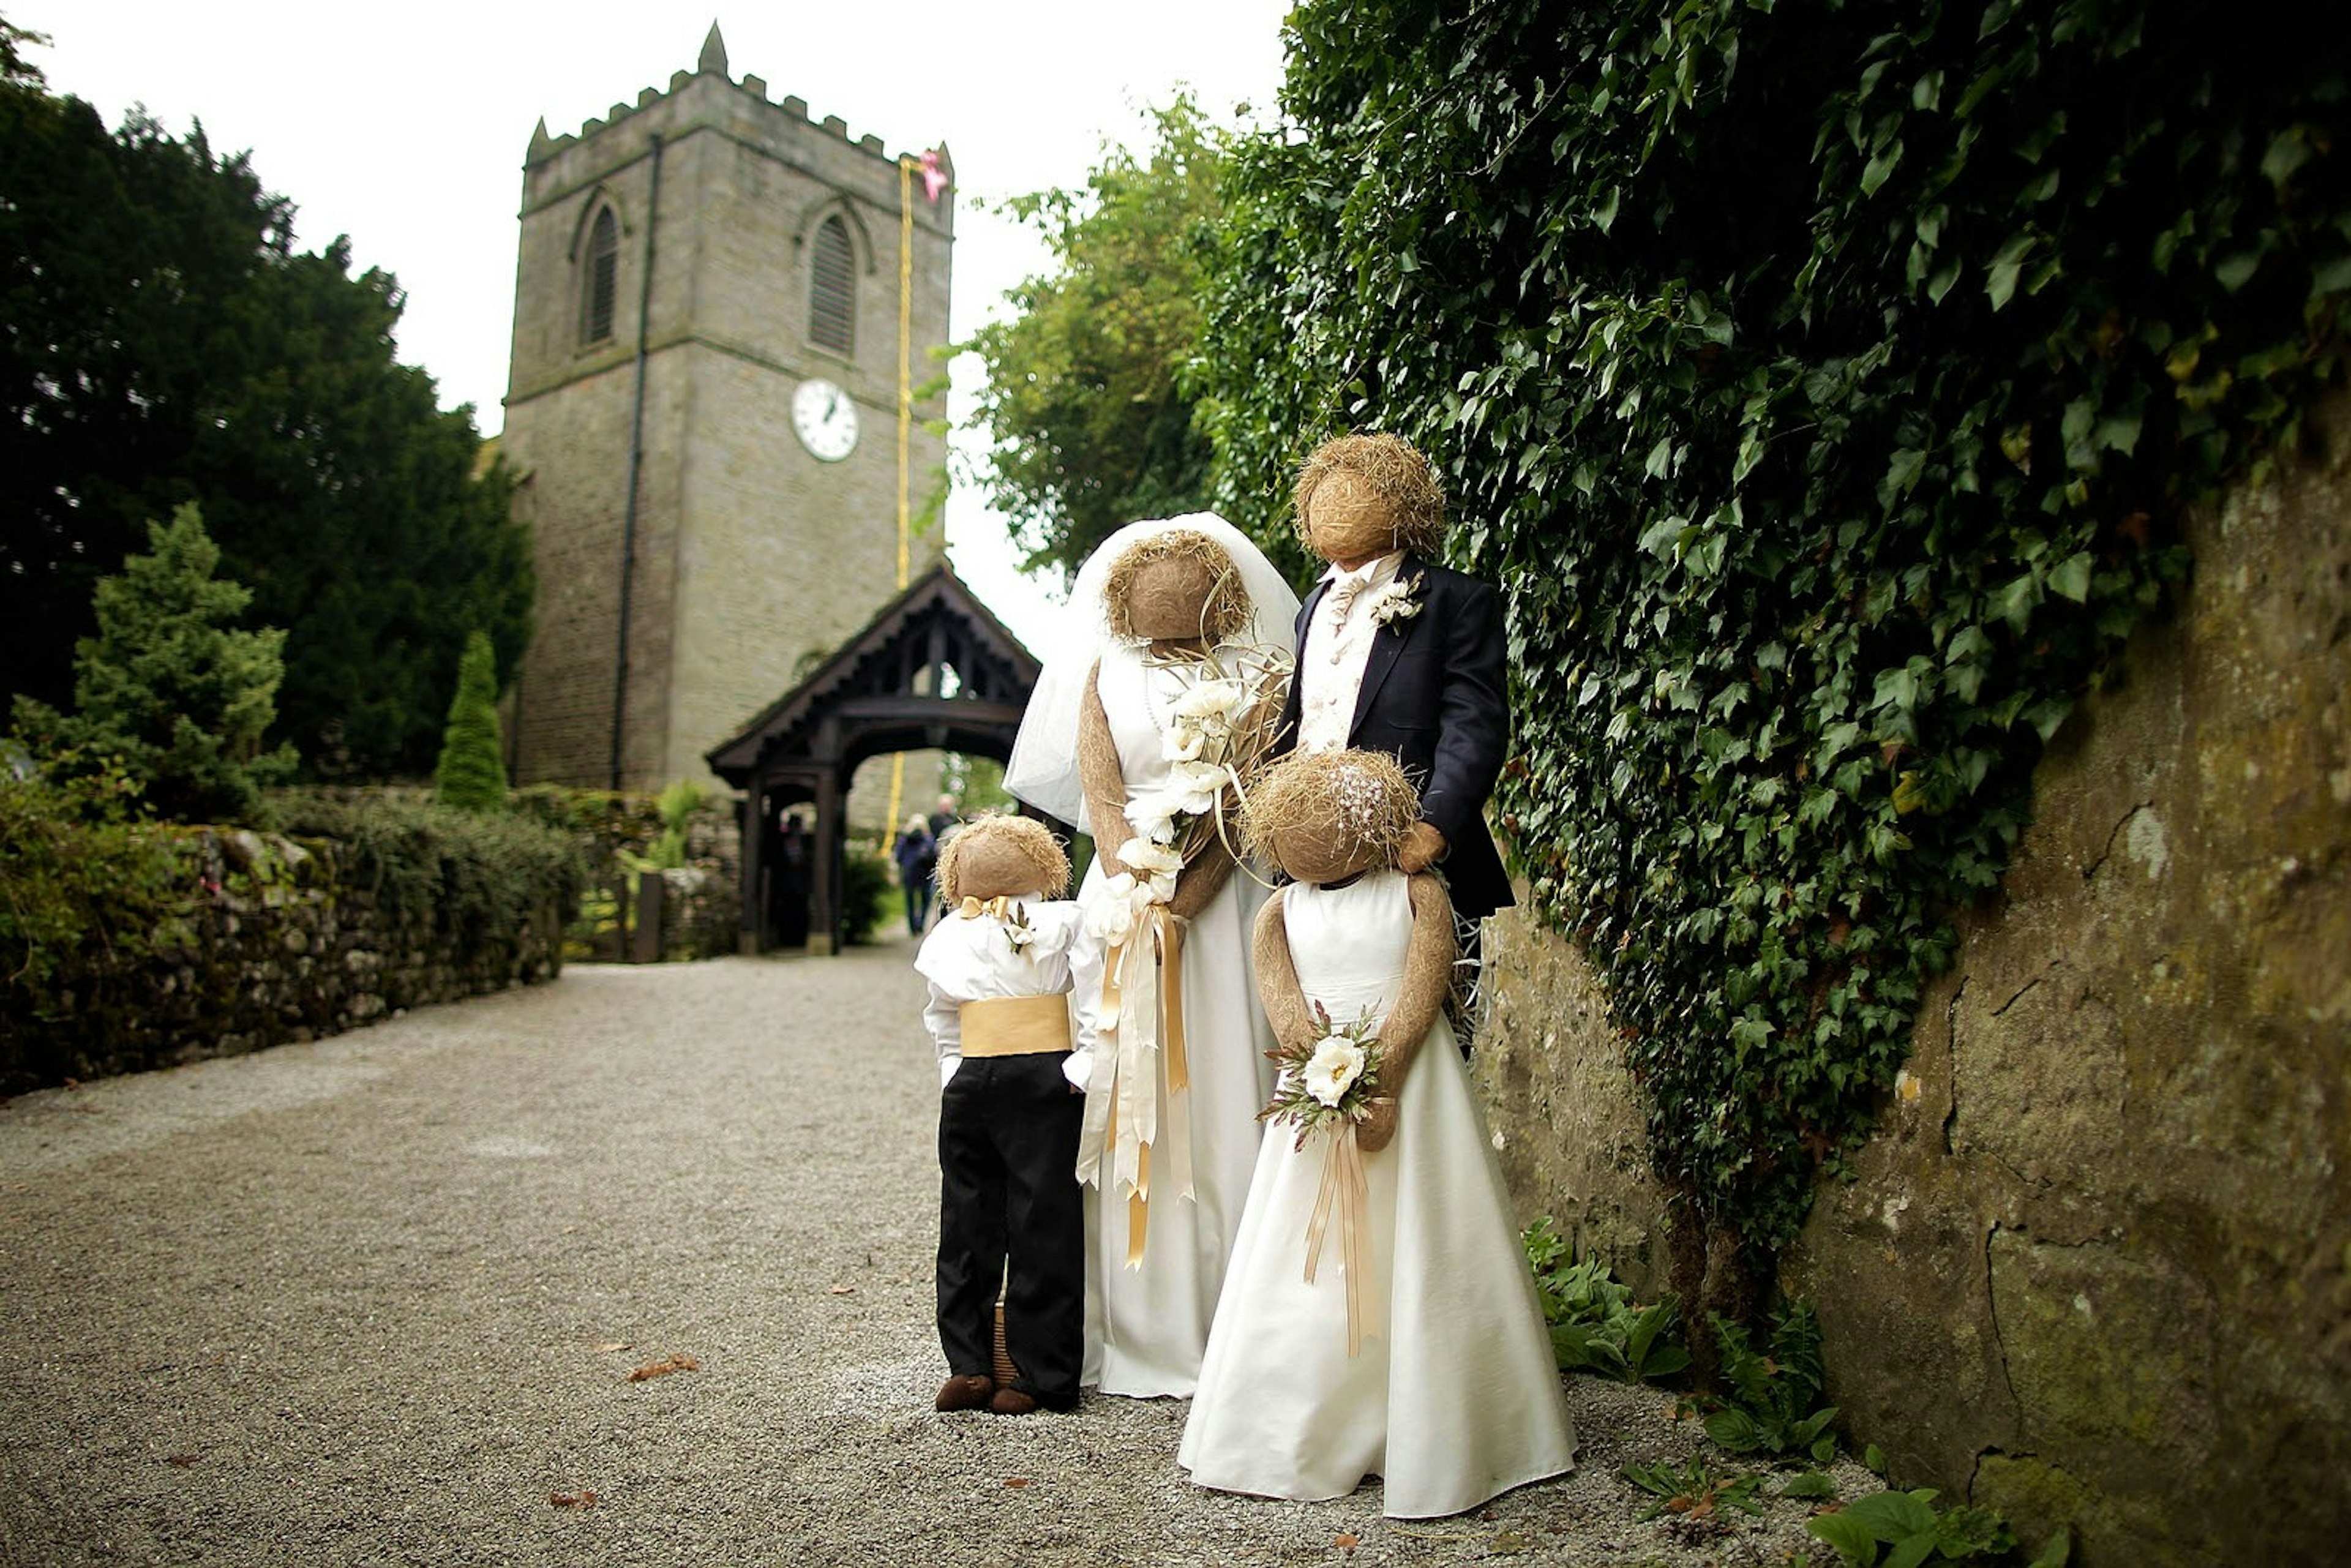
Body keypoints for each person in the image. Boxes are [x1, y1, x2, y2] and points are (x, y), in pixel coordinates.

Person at [1179, 749, 1574, 1516]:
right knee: (1306, 1249)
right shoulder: (1279, 911)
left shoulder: (1416, 894)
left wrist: (1379, 1077)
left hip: (1415, 1084)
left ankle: (1436, 1423)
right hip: (1319, 1089)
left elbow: (1428, 984)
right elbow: (1282, 999)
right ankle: (1307, 1419)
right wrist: (1323, 1068)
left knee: (1428, 1231)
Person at [1003, 512, 1299, 1398]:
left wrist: (1190, 901)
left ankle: (1240, 1321)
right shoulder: (1105, 672)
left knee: (1222, 1085)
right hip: (1126, 900)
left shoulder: (1260, 674)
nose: (1167, 596)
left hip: (1225, 900)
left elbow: (1248, 800)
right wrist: (1137, 889)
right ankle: (1129, 1320)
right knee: (1130, 1096)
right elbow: (1100, 790)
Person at [1273, 432, 1513, 1042]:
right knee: (1323, 1045)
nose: (1337, 507)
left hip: (1411, 860)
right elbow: (1300, 722)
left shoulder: (1457, 600)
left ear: (1404, 503)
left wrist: (1432, 828)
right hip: (1314, 868)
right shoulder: (1312, 607)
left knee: (1427, 1040)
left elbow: (1474, 721)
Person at [913, 813, 1093, 1416]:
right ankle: (969, 1363)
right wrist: (952, 1072)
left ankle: (1043, 1371)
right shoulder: (948, 933)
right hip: (973, 1078)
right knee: (966, 1218)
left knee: (1045, 1219)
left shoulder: (1064, 922)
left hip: (1045, 1075)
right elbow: (941, 1013)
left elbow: (1094, 992)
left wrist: (1081, 1066)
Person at [894, 814, 939, 936]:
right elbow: (935, 856)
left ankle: (912, 926)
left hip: (909, 873)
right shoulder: (928, 839)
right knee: (926, 900)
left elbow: (898, 856)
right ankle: (920, 923)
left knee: (910, 902)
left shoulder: (904, 839)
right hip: (925, 874)